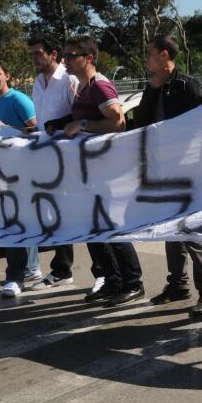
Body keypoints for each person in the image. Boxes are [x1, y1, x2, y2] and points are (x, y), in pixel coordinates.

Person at [57, 35, 144, 308]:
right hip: (89, 172)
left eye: (71, 55)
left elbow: (118, 122)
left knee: (111, 227)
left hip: (105, 170)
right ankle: (113, 281)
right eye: (65, 55)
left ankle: (133, 283)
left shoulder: (100, 85)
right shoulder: (83, 87)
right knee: (94, 228)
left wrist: (82, 124)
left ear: (89, 58)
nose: (65, 60)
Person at [135, 35, 202, 318]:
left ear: (164, 55)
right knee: (171, 229)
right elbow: (141, 122)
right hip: (162, 168)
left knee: (191, 230)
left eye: (149, 54)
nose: (146, 59)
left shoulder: (187, 84)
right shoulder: (153, 87)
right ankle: (178, 285)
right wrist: (150, 89)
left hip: (187, 171)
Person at [0, 59, 41, 297]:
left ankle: (15, 276)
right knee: (19, 222)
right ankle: (31, 269)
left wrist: (8, 129)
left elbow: (39, 130)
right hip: (6, 172)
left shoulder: (19, 100)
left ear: (7, 76)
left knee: (14, 223)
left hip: (24, 171)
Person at [27, 36, 83, 291]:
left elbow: (79, 115)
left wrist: (59, 127)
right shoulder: (37, 83)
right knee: (55, 214)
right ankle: (62, 269)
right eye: (32, 54)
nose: (34, 58)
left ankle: (103, 272)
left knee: (80, 212)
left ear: (53, 54)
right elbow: (40, 121)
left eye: (38, 53)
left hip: (69, 157)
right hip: (46, 157)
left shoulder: (70, 79)